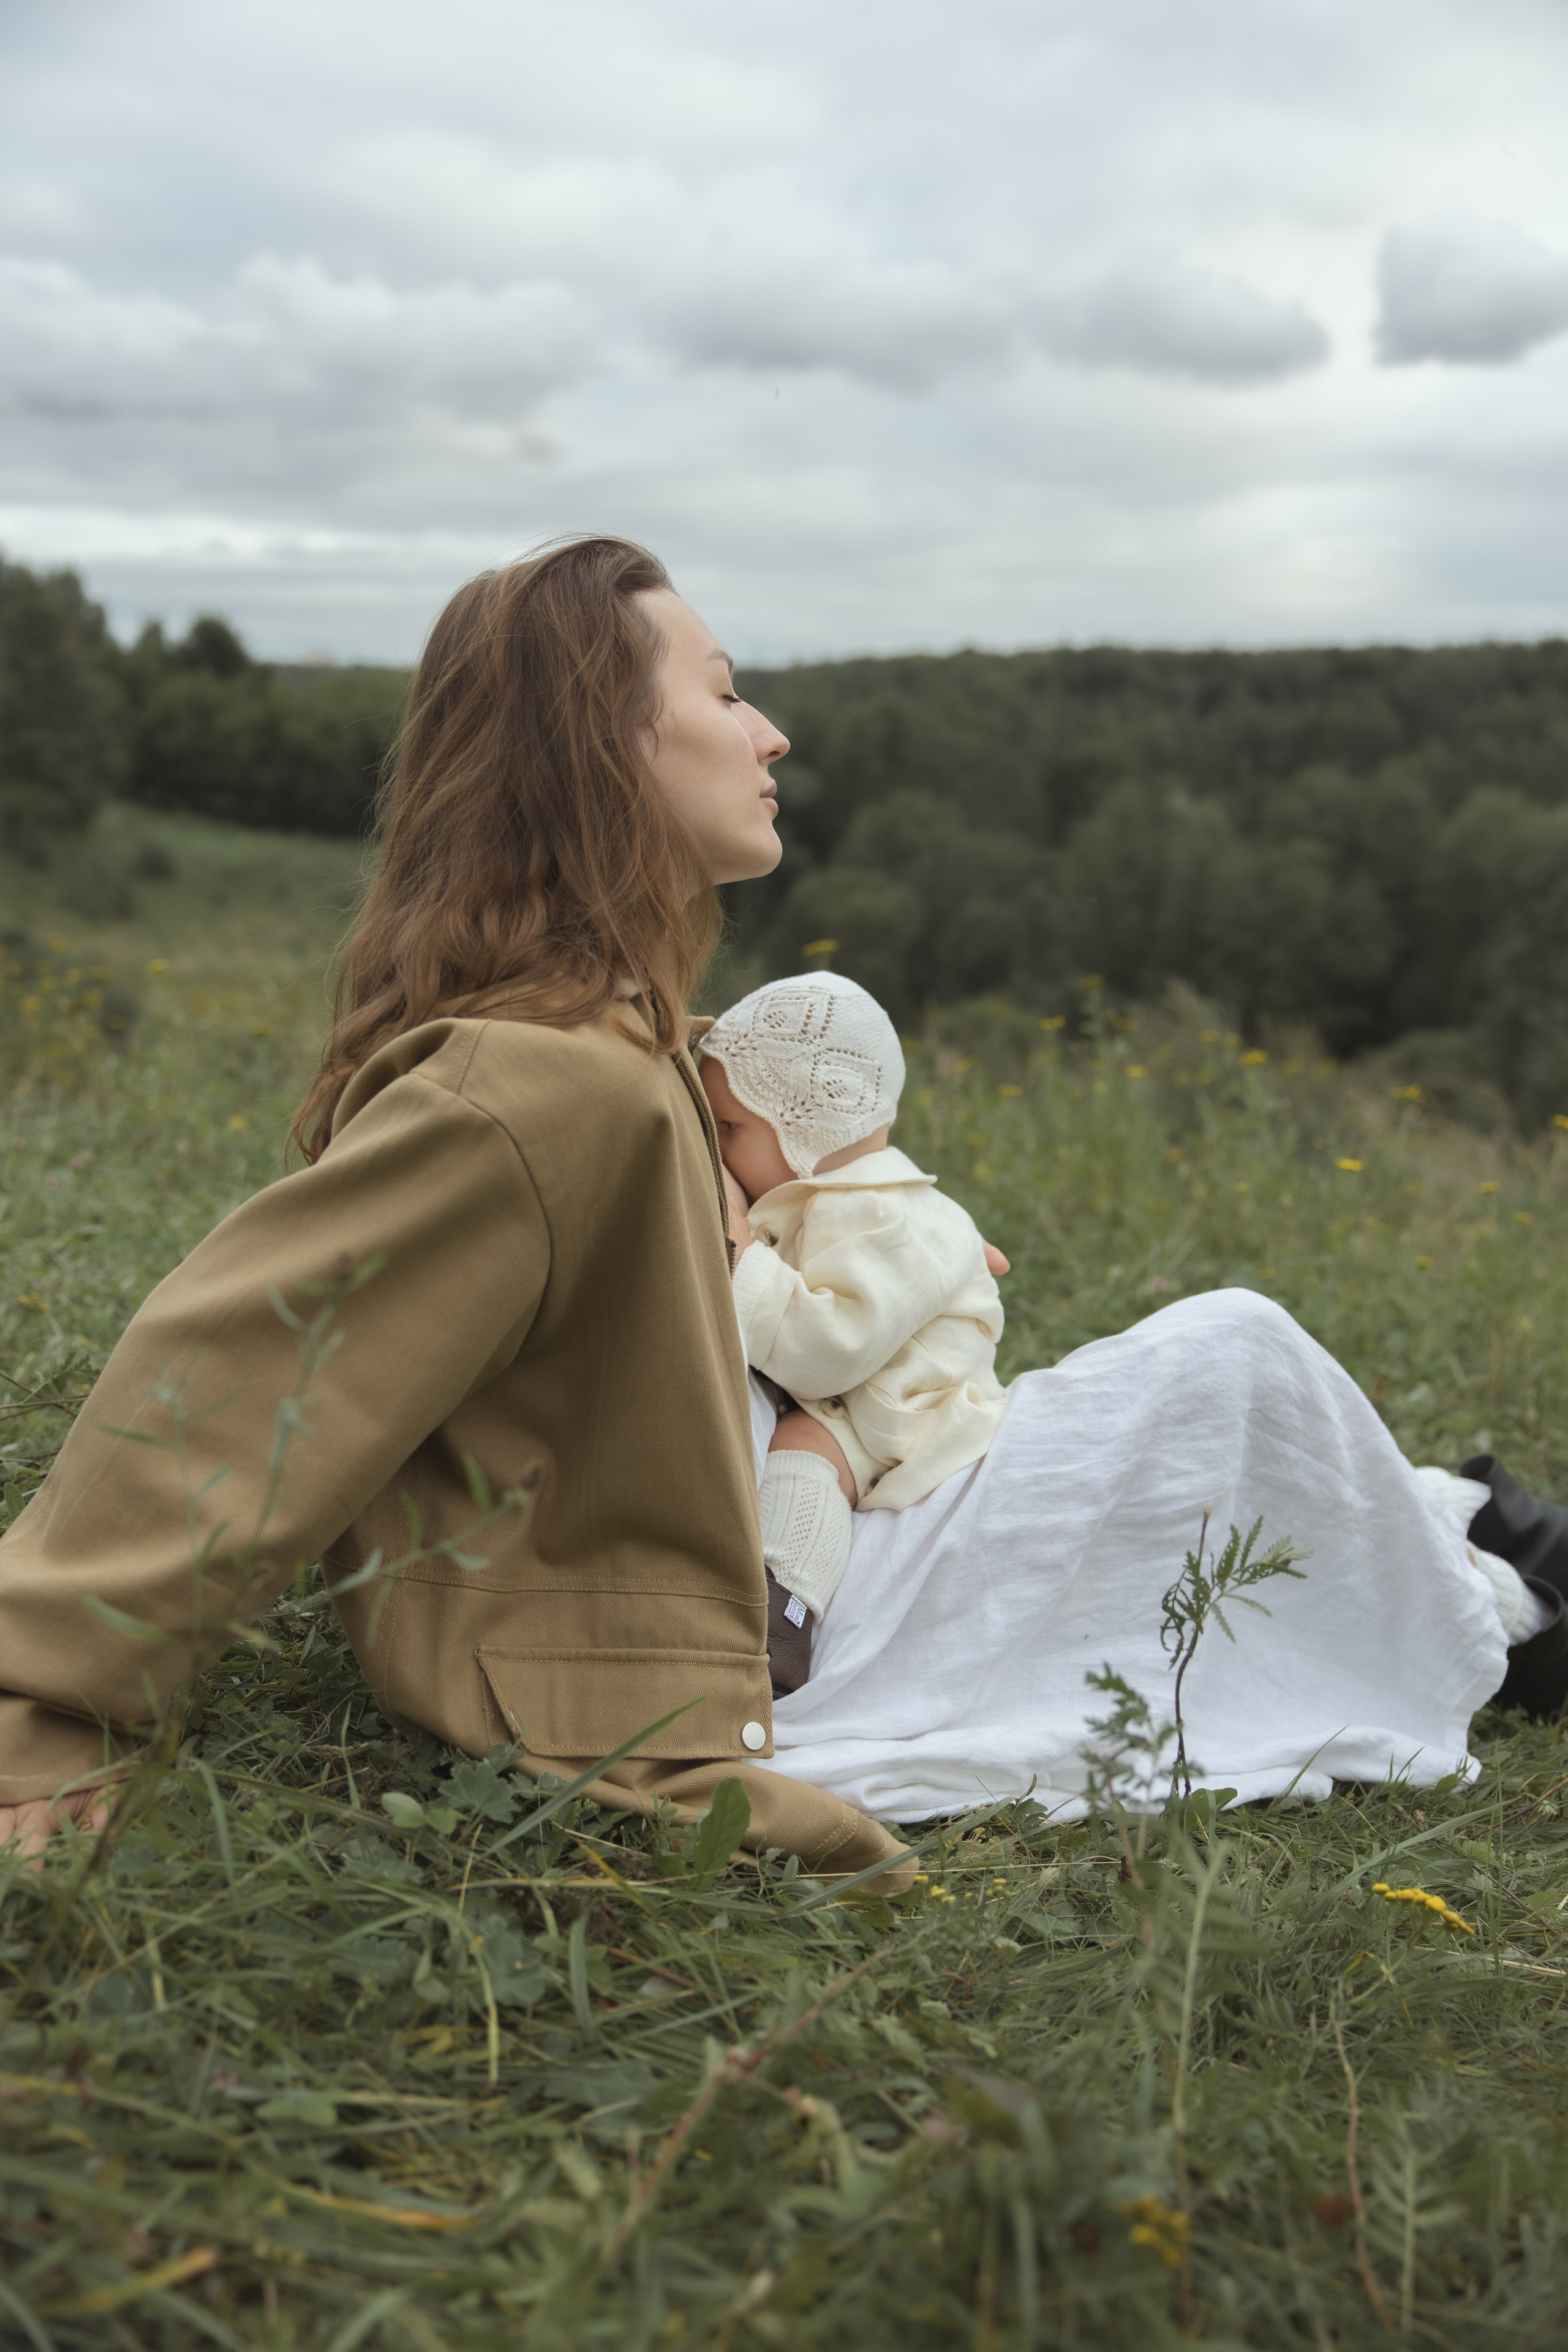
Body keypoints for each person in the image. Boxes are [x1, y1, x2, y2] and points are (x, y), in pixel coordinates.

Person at [4, 533, 1567, 1855]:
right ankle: (1502, 1590)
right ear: (600, 749)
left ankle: (1489, 1541)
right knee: (1232, 1360)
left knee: (1219, 1410)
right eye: (725, 691)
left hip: (794, 1536)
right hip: (776, 1621)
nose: (772, 735)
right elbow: (234, 1371)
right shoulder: (543, 1086)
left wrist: (885, 1241)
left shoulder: (622, 1047)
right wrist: (44, 1700)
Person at [696, 971, 1009, 1681]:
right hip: (854, 1401)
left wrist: (738, 1246)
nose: (715, 1147)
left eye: (732, 1128)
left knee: (807, 1448)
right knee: (802, 1437)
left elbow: (829, 1347)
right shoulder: (831, 1201)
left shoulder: (886, 1216)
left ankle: (783, 1612)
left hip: (907, 1413)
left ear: (808, 1129)